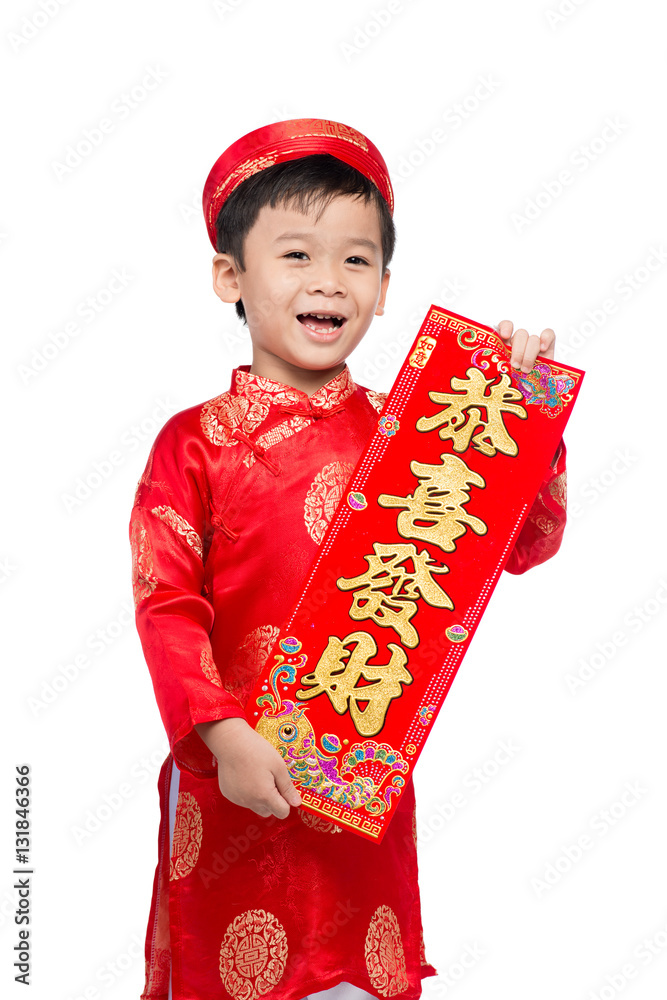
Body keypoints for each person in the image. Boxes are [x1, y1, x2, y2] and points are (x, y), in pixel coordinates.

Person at [129, 118, 568, 1000]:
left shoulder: (419, 435)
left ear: (383, 285)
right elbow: (165, 604)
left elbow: (523, 545)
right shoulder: (195, 445)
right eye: (295, 255)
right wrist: (219, 731)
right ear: (231, 278)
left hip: (359, 786)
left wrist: (519, 418)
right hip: (230, 782)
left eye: (355, 260)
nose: (328, 281)